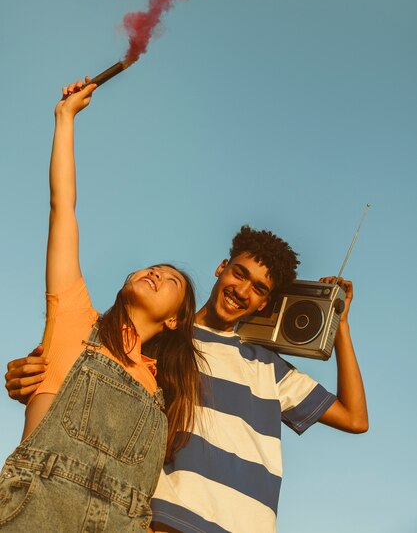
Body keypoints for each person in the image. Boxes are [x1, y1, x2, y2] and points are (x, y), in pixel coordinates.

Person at [5, 206, 368, 529]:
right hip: (167, 518)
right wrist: (35, 376)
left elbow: (355, 419)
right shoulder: (161, 342)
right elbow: (90, 371)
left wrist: (340, 328)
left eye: (258, 289)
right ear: (221, 268)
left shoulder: (269, 367)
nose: (242, 290)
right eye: (239, 274)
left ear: (264, 303)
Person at [0, 79, 203, 532]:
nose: (156, 273)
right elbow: (63, 207)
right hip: (37, 510)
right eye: (151, 268)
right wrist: (65, 118)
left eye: (171, 280)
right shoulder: (73, 317)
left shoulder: (163, 393)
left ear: (175, 319)